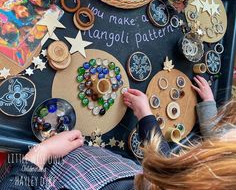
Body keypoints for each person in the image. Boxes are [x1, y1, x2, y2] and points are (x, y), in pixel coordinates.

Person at [0, 76, 234, 190]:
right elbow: (165, 162)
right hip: (87, 157)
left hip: (32, 167)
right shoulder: (171, 180)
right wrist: (146, 116)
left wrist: (42, 152)